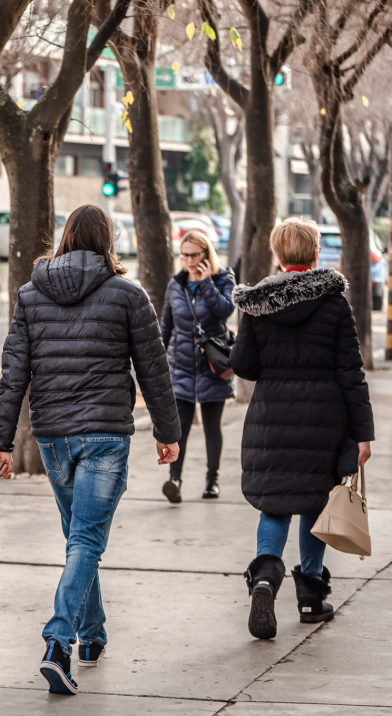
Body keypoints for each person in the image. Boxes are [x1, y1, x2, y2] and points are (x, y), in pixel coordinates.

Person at [0, 205, 181, 695]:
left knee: (79, 539)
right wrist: (168, 432)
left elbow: (14, 373)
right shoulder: (128, 295)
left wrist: (0, 440)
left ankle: (91, 637)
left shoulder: (30, 295)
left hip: (53, 438)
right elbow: (153, 371)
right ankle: (58, 642)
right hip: (105, 437)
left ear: (66, 238)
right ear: (108, 241)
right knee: (87, 542)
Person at [230, 218, 373, 640]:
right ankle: (311, 596)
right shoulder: (333, 303)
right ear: (315, 254)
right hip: (324, 422)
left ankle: (264, 579)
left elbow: (244, 365)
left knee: (274, 503)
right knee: (315, 502)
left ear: (278, 255)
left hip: (271, 420)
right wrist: (363, 433)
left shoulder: (257, 304)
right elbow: (351, 372)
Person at [160, 230, 236, 502]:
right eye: (185, 255)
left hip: (212, 366)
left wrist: (206, 283)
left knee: (211, 427)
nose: (189, 261)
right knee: (179, 427)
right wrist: (158, 363)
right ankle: (175, 479)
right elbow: (166, 325)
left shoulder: (223, 279)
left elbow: (225, 310)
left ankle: (212, 481)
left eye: (195, 255)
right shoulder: (176, 285)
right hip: (180, 367)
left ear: (206, 254)